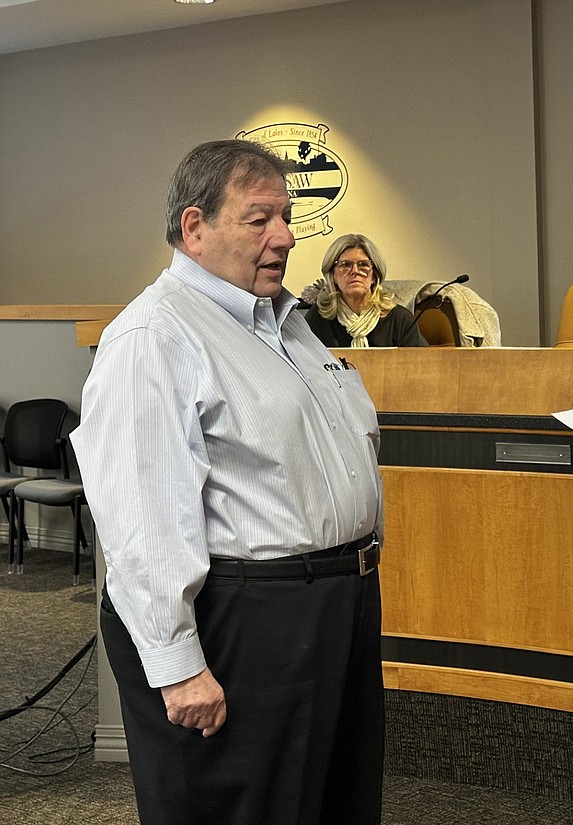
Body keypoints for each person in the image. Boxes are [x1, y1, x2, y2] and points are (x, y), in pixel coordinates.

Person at [71, 140, 386, 825]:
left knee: (332, 799)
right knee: (242, 807)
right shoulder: (154, 336)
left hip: (334, 605)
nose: (285, 235)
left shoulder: (286, 324)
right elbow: (141, 516)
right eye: (259, 218)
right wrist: (178, 663)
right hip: (245, 615)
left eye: (287, 215)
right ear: (194, 228)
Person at [303, 233, 427, 347]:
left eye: (363, 265)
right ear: (333, 275)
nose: (355, 271)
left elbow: (418, 367)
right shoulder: (318, 318)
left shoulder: (400, 319)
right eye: (345, 264)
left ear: (374, 276)